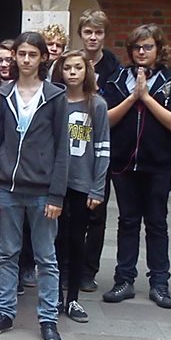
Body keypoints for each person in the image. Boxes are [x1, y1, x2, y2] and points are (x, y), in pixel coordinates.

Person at [0, 31, 69, 340]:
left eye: (33, 54)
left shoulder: (55, 96)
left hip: (43, 191)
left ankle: (48, 318)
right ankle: (5, 312)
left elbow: (62, 149)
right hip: (8, 188)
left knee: (46, 257)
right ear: (14, 57)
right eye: (22, 54)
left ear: (43, 57)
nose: (26, 60)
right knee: (8, 253)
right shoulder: (1, 95)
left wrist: (57, 194)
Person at [100, 24, 171, 310]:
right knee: (127, 222)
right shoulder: (117, 79)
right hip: (124, 163)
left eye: (147, 47)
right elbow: (107, 119)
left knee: (156, 222)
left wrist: (147, 97)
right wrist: (133, 96)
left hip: (157, 164)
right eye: (136, 47)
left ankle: (159, 282)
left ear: (158, 49)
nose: (141, 52)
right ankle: (124, 279)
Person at [52, 49, 110, 324]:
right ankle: (54, 296)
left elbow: (103, 148)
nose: (72, 73)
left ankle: (72, 297)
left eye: (78, 67)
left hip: (82, 183)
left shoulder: (96, 105)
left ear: (87, 71)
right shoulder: (54, 102)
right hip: (55, 184)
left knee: (77, 240)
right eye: (67, 68)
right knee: (54, 240)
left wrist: (97, 187)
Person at [76, 9, 120, 293]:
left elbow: (115, 109)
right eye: (88, 32)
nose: (93, 37)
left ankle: (88, 270)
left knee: (96, 213)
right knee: (69, 213)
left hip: (100, 147)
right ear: (80, 34)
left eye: (98, 32)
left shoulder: (115, 69)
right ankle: (66, 265)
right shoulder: (72, 62)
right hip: (72, 146)